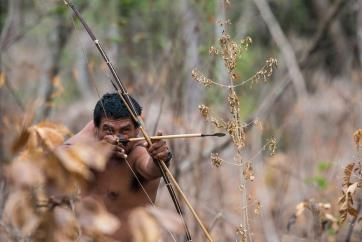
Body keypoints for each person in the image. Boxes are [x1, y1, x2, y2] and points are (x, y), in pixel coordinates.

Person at [64, 93, 172, 241]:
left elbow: (151, 168)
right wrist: (99, 149)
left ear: (137, 130)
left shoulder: (138, 154)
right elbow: (56, 156)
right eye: (109, 130)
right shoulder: (88, 148)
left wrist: (161, 158)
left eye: (125, 130)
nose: (117, 138)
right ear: (96, 129)